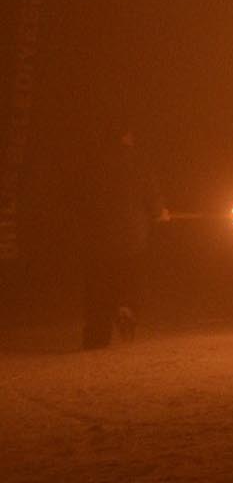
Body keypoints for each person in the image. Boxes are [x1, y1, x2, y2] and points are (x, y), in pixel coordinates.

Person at [80, 131, 167, 349]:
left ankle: (97, 337)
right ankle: (126, 306)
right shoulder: (138, 161)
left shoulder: (95, 161)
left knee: (101, 284)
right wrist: (160, 212)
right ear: (127, 136)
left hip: (99, 235)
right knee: (129, 277)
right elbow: (151, 194)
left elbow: (83, 196)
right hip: (132, 234)